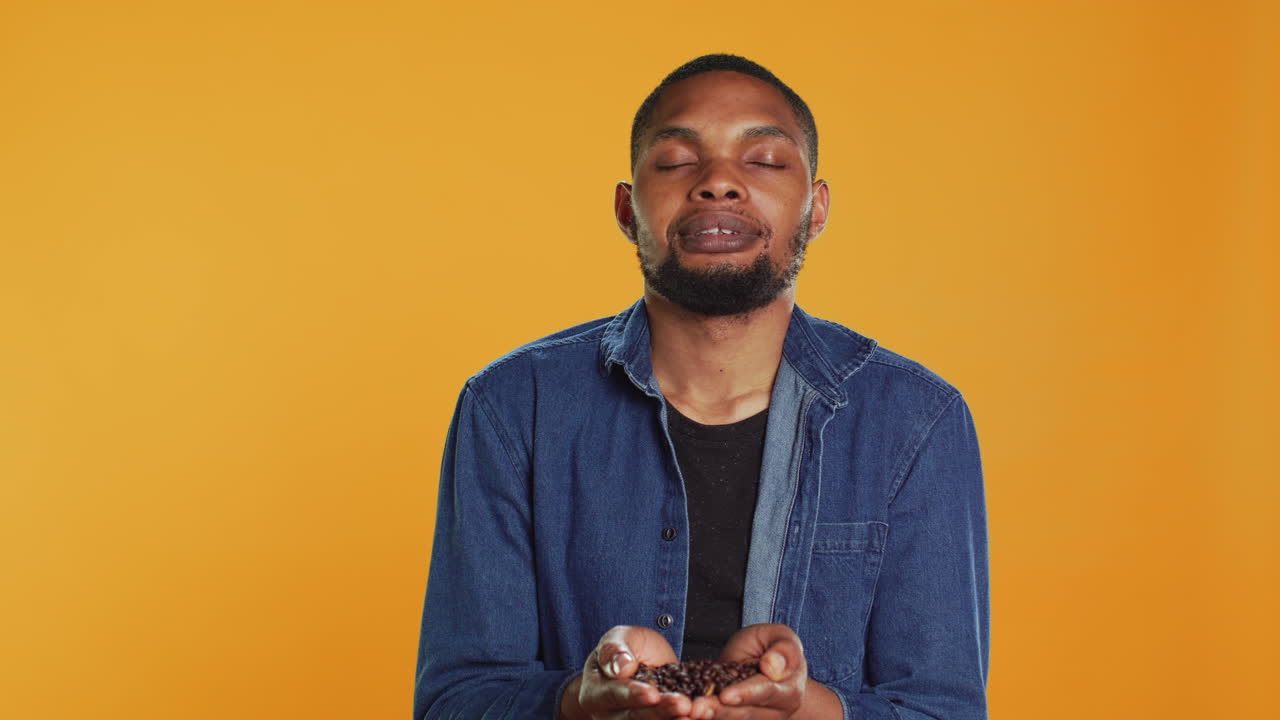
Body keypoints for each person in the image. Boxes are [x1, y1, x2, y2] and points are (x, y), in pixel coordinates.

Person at [414, 54, 990, 720]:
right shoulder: (513, 409)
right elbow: (455, 702)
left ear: (817, 207)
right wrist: (582, 699)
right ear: (628, 210)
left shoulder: (917, 421)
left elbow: (942, 709)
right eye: (677, 162)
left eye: (765, 161)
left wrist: (803, 708)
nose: (718, 183)